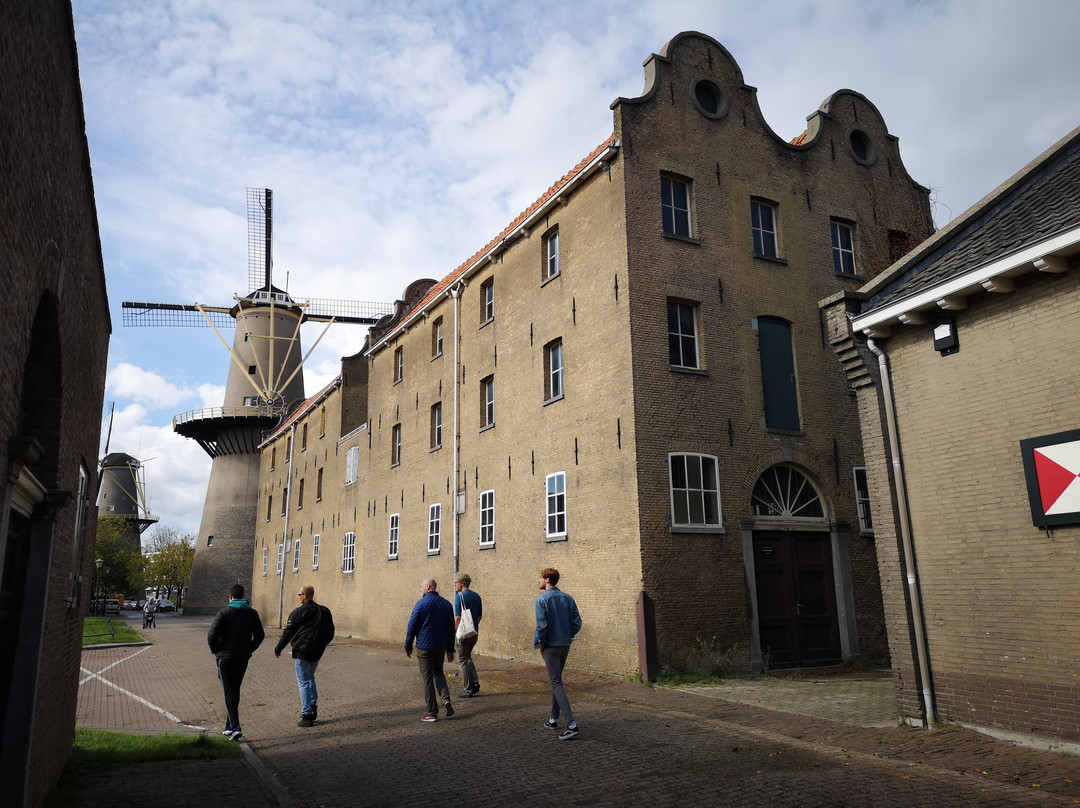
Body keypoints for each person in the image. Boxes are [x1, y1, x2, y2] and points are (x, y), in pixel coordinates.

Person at [207, 584, 265, 741]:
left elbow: (211, 636)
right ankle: (228, 726)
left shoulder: (224, 613)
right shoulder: (252, 613)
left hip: (224, 658)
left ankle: (236, 727)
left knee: (228, 690)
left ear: (230, 597)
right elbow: (260, 635)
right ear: (243, 596)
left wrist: (216, 651)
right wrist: (249, 649)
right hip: (242, 657)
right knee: (234, 689)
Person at [275, 584, 335, 727]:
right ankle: (313, 706)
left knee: (303, 681)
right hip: (317, 651)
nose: (299, 597)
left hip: (302, 651)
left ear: (306, 595)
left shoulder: (298, 612)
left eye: (299, 595)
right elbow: (331, 632)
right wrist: (322, 645)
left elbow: (288, 632)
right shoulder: (324, 611)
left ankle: (306, 714)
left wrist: (278, 648)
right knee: (310, 677)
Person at [535, 567, 582, 740]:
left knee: (556, 684)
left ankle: (571, 724)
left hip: (550, 646)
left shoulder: (542, 600)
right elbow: (577, 622)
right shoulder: (568, 598)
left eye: (540, 578)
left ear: (547, 580)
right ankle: (553, 719)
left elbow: (542, 626)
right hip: (565, 644)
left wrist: (541, 643)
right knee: (557, 681)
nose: (538, 581)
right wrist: (568, 634)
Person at [404, 578, 456, 722]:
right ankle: (446, 700)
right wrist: (450, 649)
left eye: (421, 586)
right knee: (438, 673)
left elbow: (412, 627)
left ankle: (432, 712)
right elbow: (451, 629)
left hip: (424, 648)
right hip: (440, 647)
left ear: (428, 587)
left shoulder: (420, 604)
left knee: (427, 679)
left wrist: (408, 646)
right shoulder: (446, 605)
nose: (420, 589)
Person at [453, 572, 483, 698]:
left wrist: (455, 631)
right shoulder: (476, 596)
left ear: (462, 584)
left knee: (462, 660)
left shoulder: (459, 597)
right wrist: (473, 626)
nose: (455, 584)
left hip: (462, 633)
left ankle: (468, 689)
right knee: (468, 657)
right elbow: (479, 615)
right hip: (473, 632)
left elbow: (458, 617)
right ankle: (475, 682)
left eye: (456, 582)